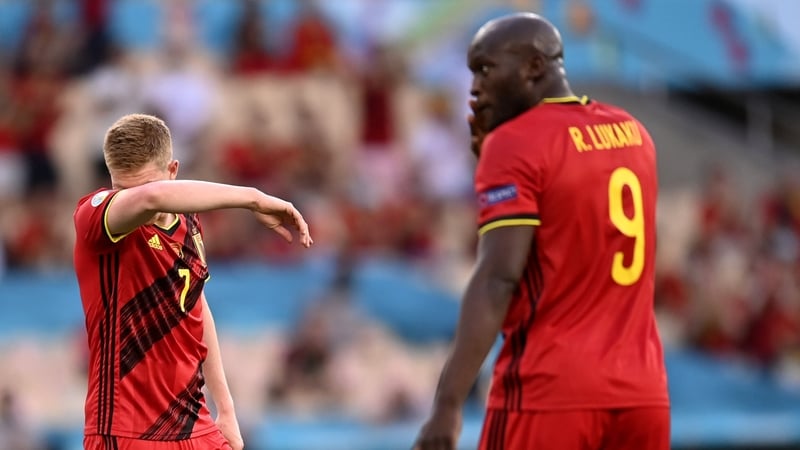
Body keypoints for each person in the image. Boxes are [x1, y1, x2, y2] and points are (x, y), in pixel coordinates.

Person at [414, 12, 669, 450]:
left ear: (534, 67)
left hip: (549, 392)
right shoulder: (634, 133)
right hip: (643, 396)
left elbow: (499, 279)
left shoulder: (516, 143)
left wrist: (448, 402)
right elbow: (571, 235)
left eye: (486, 69)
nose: (474, 88)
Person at [73, 113, 313, 450]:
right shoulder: (94, 217)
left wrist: (226, 408)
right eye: (120, 189)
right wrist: (254, 198)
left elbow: (195, 306)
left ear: (173, 171)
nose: (130, 200)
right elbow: (150, 199)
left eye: (147, 184)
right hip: (125, 430)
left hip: (193, 424)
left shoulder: (188, 222)